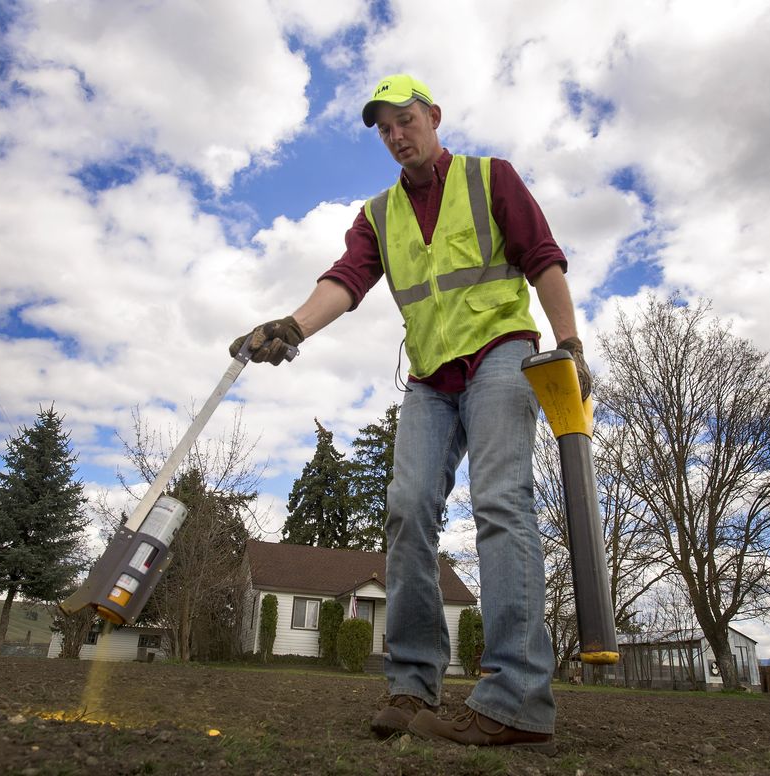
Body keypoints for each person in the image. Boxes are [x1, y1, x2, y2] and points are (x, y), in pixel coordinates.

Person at [229, 74, 591, 753]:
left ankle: (516, 698)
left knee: (502, 502)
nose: (397, 135)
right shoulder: (378, 215)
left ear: (434, 117)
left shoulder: (492, 179)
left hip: (503, 356)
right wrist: (293, 327)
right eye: (384, 128)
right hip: (430, 378)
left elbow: (543, 261)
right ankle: (413, 683)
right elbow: (345, 281)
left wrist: (568, 342)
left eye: (406, 120)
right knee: (407, 505)